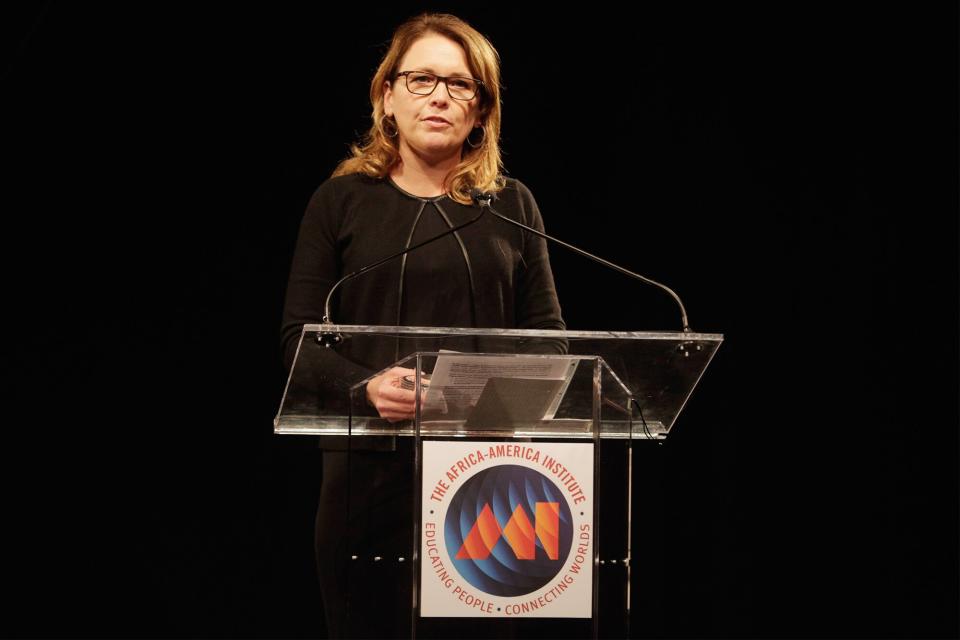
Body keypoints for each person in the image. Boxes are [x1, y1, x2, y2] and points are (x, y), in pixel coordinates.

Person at [280, 12, 565, 637]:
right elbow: (300, 337)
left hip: (488, 480)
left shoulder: (511, 205)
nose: (439, 96)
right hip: (368, 473)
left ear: (482, 110)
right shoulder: (341, 201)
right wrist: (366, 389)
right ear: (387, 96)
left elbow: (546, 336)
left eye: (460, 85)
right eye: (420, 79)